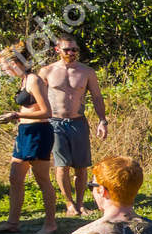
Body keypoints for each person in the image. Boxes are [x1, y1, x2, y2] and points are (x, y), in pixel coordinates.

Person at [38, 34, 109, 217]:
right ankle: (69, 204)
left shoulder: (86, 72)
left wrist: (102, 120)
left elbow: (96, 97)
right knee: (62, 166)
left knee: (81, 166)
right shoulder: (47, 71)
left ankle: (80, 203)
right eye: (67, 49)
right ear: (57, 50)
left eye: (74, 49)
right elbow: (37, 98)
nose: (71, 53)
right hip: (54, 122)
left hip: (78, 121)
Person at [0, 46, 58, 234]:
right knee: (15, 177)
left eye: (4, 68)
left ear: (14, 64)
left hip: (39, 133)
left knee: (42, 179)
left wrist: (15, 114)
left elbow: (47, 112)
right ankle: (12, 223)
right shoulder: (23, 80)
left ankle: (50, 224)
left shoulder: (34, 80)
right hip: (25, 132)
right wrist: (19, 119)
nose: (4, 72)